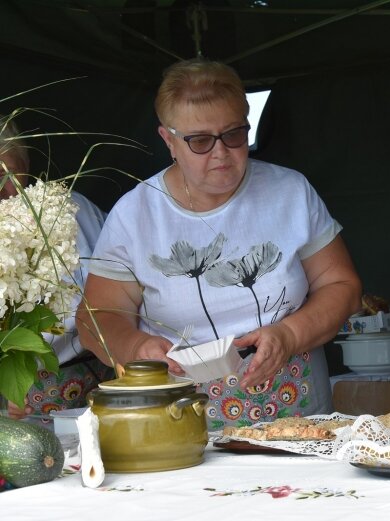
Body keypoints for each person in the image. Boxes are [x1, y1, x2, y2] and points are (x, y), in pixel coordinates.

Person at [76, 58, 362, 429]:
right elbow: (97, 317)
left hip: (297, 416)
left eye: (233, 134)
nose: (221, 153)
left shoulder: (289, 192)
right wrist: (135, 349)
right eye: (199, 141)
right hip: (181, 423)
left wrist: (289, 335)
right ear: (169, 140)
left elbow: (342, 287)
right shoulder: (135, 214)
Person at [0, 113, 111, 421]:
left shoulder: (68, 210)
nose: (2, 189)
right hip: (13, 403)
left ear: (24, 164)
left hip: (87, 381)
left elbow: (119, 293)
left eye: (8, 174)